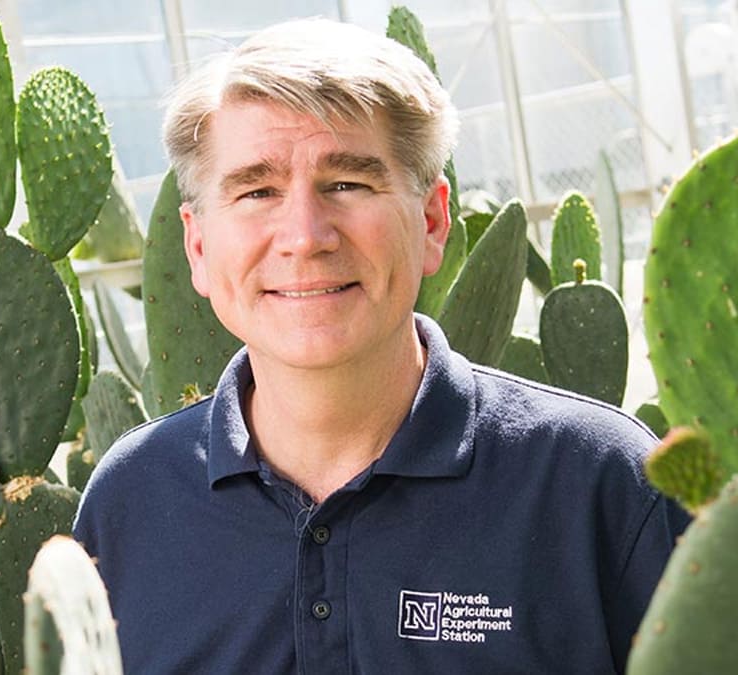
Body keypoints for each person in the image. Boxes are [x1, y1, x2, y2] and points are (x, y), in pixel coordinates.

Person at [74, 17, 688, 674]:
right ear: (196, 246)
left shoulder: (603, 484)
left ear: (431, 222)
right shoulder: (129, 504)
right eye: (257, 191)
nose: (306, 235)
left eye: (347, 184)